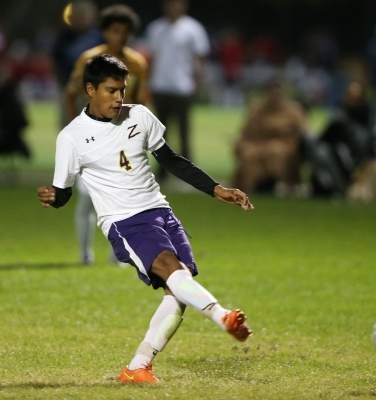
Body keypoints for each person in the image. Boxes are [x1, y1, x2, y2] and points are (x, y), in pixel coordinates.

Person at [37, 54, 254, 383]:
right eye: (111, 90)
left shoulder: (138, 115)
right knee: (174, 272)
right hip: (124, 221)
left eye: (123, 90)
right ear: (90, 90)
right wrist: (55, 198)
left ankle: (138, 366)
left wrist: (215, 189)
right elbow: (64, 191)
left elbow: (171, 159)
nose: (119, 98)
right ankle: (222, 316)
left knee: (177, 291)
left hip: (161, 212)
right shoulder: (72, 137)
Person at [65, 4, 147, 265]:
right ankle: (85, 253)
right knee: (87, 197)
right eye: (114, 30)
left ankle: (117, 255)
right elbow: (71, 93)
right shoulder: (90, 60)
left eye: (125, 32)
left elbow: (140, 102)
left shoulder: (137, 64)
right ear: (104, 32)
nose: (120, 36)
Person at [146, 0, 210, 180]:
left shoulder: (193, 29)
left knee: (184, 132)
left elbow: (200, 58)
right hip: (160, 85)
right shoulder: (155, 28)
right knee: (160, 134)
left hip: (183, 86)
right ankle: (162, 172)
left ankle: (187, 172)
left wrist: (197, 83)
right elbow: (151, 58)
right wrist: (148, 83)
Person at [231, 78, 308, 195]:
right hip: (257, 144)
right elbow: (246, 132)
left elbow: (304, 132)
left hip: (283, 144)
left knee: (273, 152)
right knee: (249, 153)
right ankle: (253, 185)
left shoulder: (293, 111)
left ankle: (275, 182)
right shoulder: (256, 110)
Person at [52, 0, 104, 128]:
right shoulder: (64, 37)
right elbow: (55, 60)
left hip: (94, 88)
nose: (80, 19)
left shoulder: (100, 36)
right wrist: (61, 81)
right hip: (69, 87)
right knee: (68, 125)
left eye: (83, 15)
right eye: (77, 15)